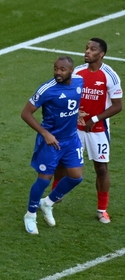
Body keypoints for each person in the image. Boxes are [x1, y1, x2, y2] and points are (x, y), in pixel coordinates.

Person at [53, 38, 122, 223]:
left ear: (101, 54)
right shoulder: (77, 73)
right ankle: (54, 196)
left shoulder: (110, 75)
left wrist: (95, 118)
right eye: (86, 48)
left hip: (98, 130)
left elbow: (117, 106)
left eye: (92, 49)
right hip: (74, 128)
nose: (87, 52)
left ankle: (102, 210)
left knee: (101, 168)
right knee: (62, 163)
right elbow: (66, 94)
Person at [21, 56, 85, 235]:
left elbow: (72, 101)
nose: (58, 72)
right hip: (51, 141)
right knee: (43, 179)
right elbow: (26, 113)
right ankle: (30, 215)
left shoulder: (80, 81)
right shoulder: (46, 89)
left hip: (71, 139)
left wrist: (76, 113)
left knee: (76, 177)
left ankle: (47, 203)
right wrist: (45, 133)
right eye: (55, 68)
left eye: (62, 69)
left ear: (71, 71)